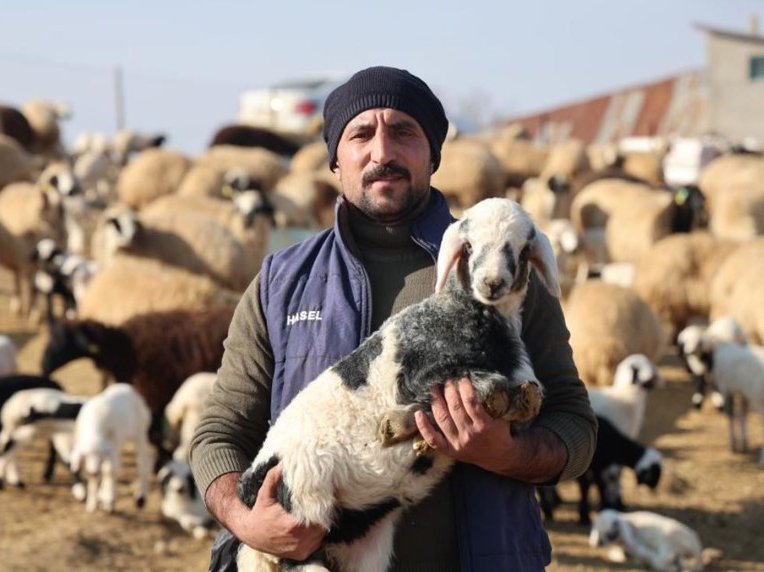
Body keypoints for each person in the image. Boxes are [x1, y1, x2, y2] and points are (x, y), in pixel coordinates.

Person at [189, 65, 597, 571]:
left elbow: (575, 423)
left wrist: (508, 453)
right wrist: (246, 520)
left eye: (404, 132)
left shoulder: (502, 273)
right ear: (335, 157)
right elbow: (219, 433)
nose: (382, 152)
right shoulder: (282, 282)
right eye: (361, 134)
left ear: (433, 154)